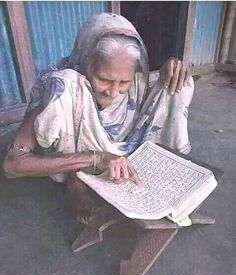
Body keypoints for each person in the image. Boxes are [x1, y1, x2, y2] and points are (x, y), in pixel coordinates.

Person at [3, 13, 194, 224]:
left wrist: (174, 68)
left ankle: (166, 176)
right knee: (67, 85)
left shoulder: (138, 83)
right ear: (86, 62)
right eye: (104, 79)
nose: (113, 92)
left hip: (126, 153)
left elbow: (155, 91)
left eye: (123, 82)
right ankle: (75, 182)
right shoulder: (61, 88)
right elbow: (13, 166)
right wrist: (96, 158)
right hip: (79, 160)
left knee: (180, 83)